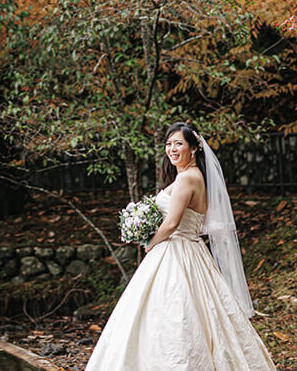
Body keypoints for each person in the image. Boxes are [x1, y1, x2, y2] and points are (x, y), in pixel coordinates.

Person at [84, 122, 277, 371]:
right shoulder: (194, 177)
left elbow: (172, 222)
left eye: (179, 144)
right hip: (190, 250)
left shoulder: (187, 179)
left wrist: (150, 243)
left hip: (177, 251)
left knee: (175, 315)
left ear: (194, 148)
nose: (172, 149)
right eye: (168, 144)